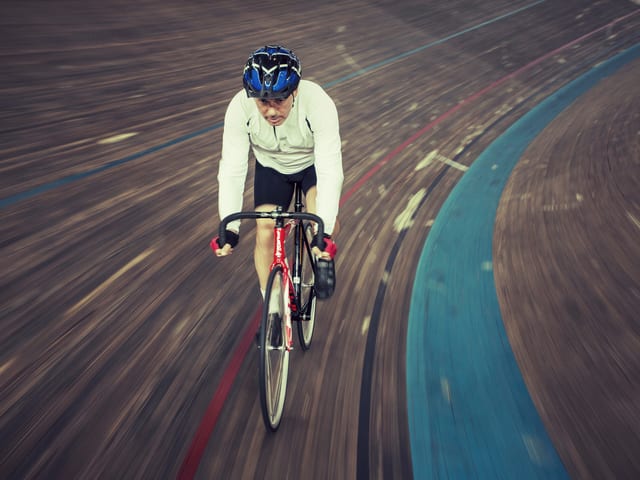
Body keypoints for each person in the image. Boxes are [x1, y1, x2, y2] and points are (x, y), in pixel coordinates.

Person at [211, 45, 343, 300]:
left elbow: (329, 169)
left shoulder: (318, 103)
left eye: (279, 100)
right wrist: (230, 226)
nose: (271, 111)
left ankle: (321, 256)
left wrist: (323, 232)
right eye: (263, 101)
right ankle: (272, 308)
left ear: (295, 91)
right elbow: (232, 169)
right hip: (271, 167)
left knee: (319, 219)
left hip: (311, 165)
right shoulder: (239, 108)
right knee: (265, 228)